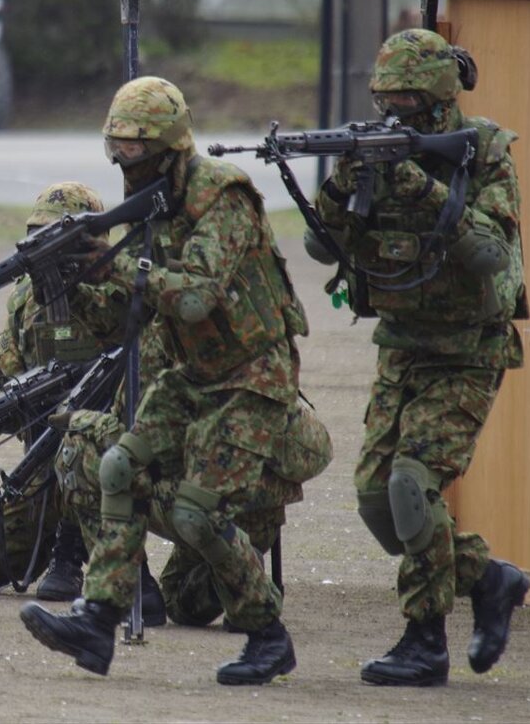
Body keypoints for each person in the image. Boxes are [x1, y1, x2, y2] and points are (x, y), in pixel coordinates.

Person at [20, 76, 317, 685]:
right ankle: (98, 622)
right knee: (117, 467)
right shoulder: (156, 203)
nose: (126, 162)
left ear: (171, 147)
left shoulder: (222, 198)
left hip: (251, 375)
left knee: (195, 514)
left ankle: (268, 635)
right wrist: (75, 273)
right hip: (193, 370)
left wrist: (111, 260)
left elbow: (195, 296)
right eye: (117, 150)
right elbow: (137, 311)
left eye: (137, 150)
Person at [310, 29, 529, 687]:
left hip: (467, 350)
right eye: (386, 102)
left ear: (436, 100)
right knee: (379, 503)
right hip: (402, 349)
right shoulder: (376, 159)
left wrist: (420, 185)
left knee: (412, 485)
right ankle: (491, 579)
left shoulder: (481, 152)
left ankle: (424, 640)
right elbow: (323, 251)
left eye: (406, 101)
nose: (395, 114)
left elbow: (490, 252)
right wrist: (344, 184)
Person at [0, 182, 164, 614]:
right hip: (45, 463)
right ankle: (53, 542)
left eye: (59, 237)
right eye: (40, 236)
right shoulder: (27, 297)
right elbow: (5, 371)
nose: (49, 249)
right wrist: (8, 406)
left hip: (114, 462)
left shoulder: (123, 289)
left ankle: (110, 563)